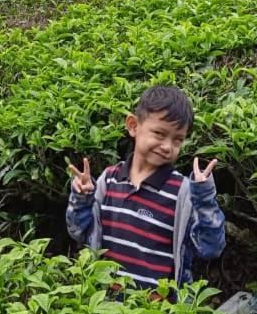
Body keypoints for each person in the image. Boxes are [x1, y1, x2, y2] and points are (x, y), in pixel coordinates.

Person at [66, 85, 225, 290]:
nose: (168, 146)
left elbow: (211, 248)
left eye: (178, 139)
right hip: (102, 309)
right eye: (159, 134)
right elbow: (77, 231)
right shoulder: (109, 180)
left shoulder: (182, 192)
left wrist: (204, 199)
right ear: (133, 125)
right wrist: (81, 197)